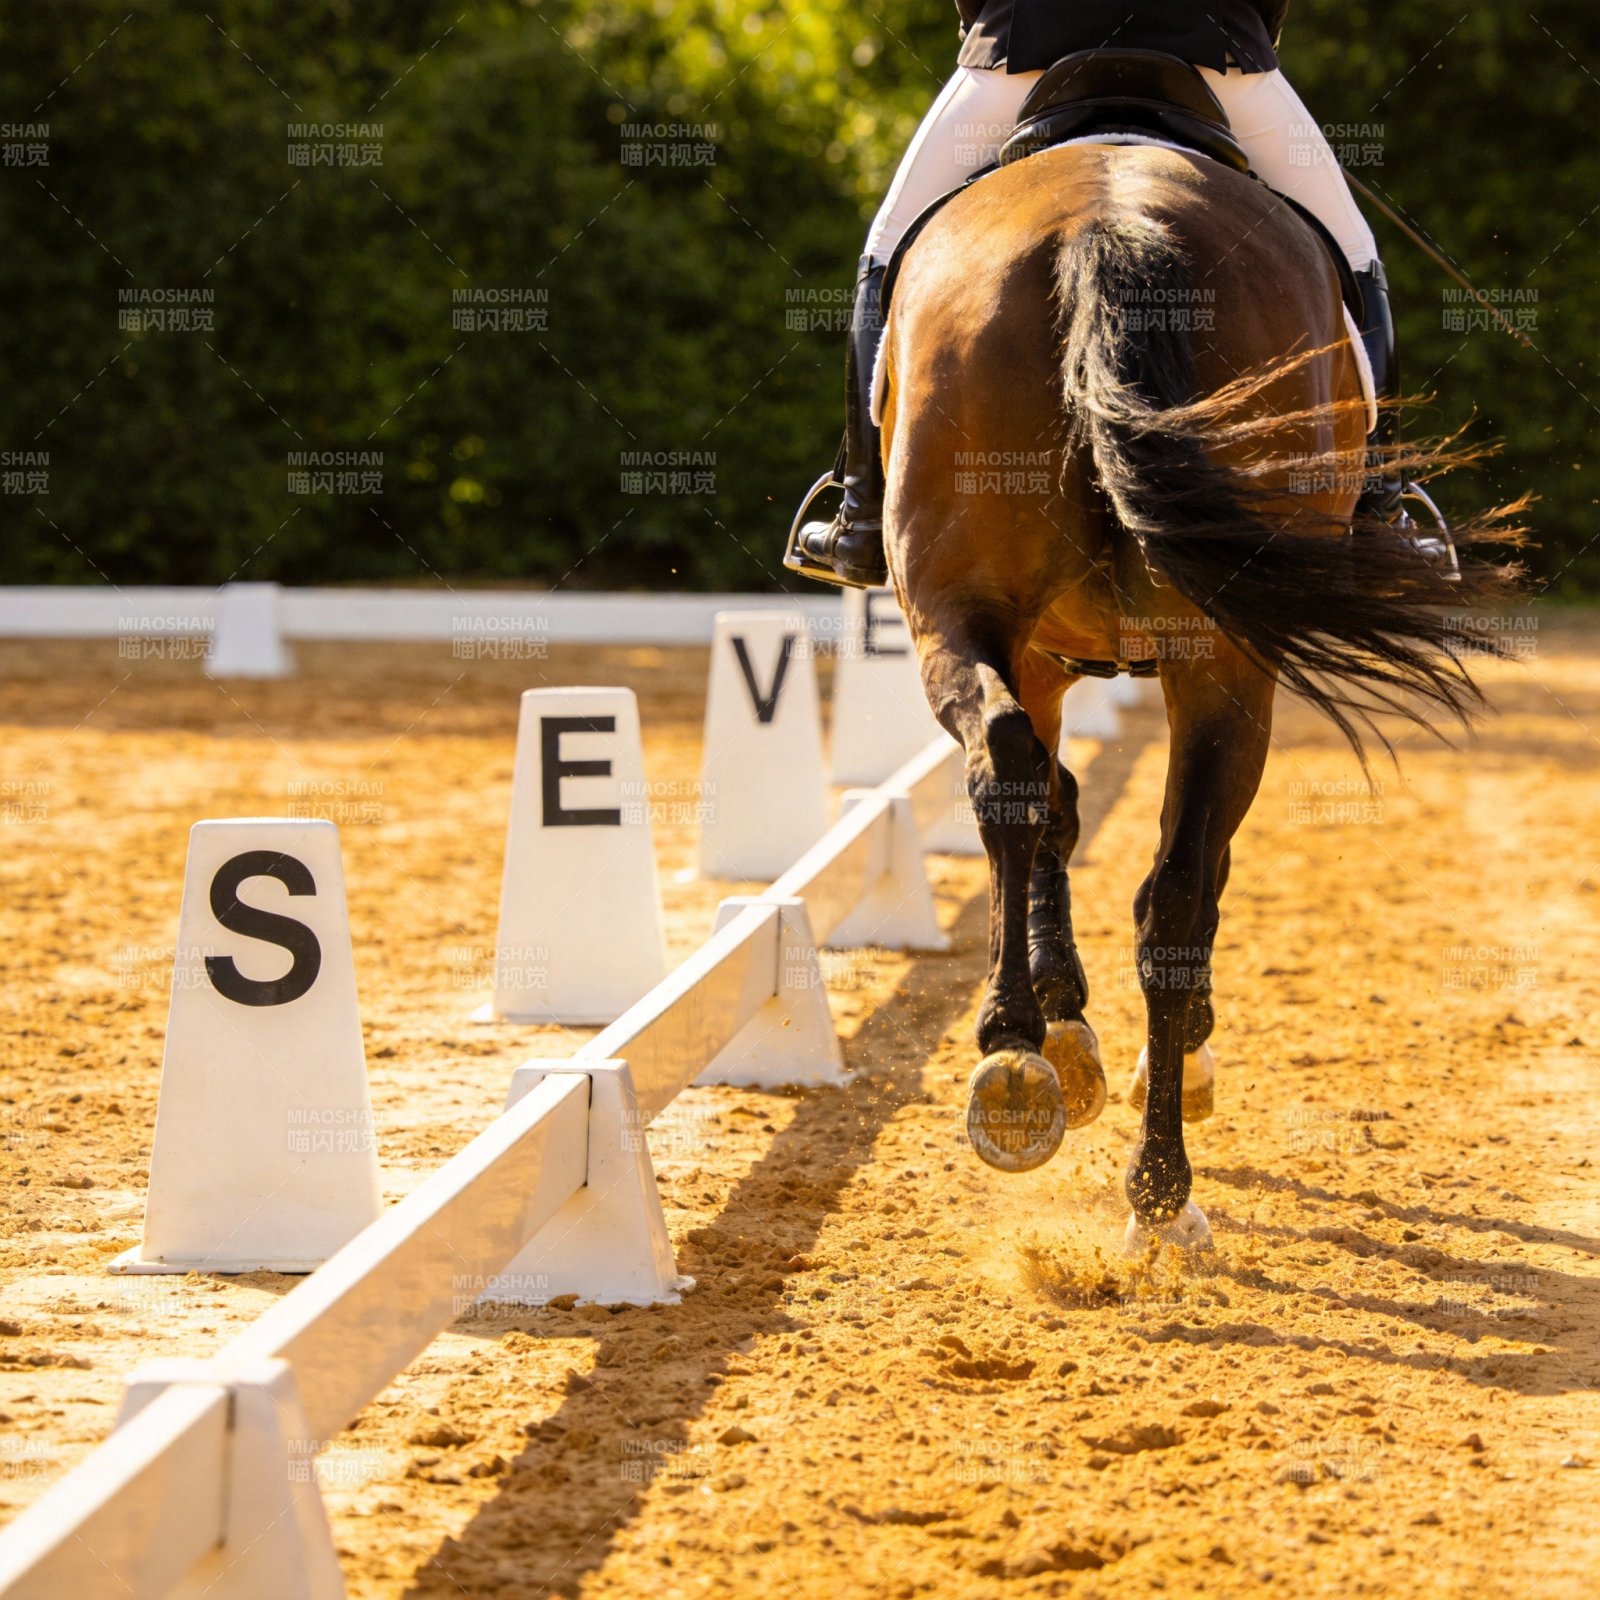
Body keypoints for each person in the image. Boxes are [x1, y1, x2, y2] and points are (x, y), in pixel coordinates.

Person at [793, 1, 1400, 589]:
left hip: (1021, 48)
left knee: (886, 248)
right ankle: (1381, 514)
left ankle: (864, 513)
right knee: (1354, 253)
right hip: (1216, 49)